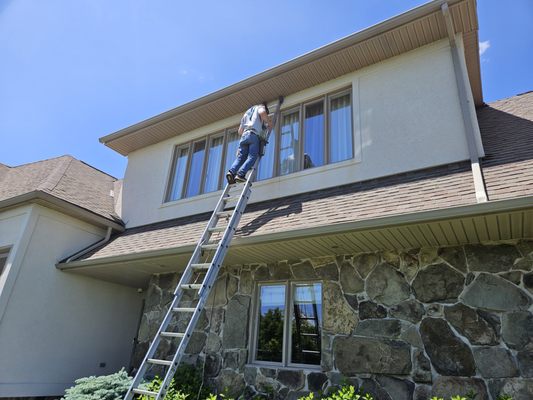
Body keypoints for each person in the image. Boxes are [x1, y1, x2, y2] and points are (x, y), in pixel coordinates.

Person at [226, 102, 272, 184]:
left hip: (244, 136)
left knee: (241, 158)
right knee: (252, 156)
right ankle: (240, 174)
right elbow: (262, 113)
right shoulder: (260, 107)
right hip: (253, 135)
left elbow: (240, 131)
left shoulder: (247, 113)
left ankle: (231, 172)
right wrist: (268, 122)